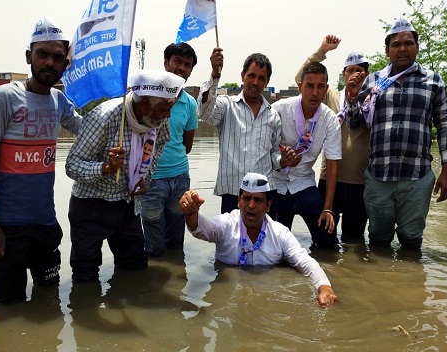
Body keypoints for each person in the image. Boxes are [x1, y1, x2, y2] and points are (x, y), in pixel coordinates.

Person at [0, 16, 82, 303]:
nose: (49, 62)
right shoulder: (4, 97)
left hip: (45, 226)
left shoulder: (59, 102)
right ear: (28, 57)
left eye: (57, 57)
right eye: (42, 54)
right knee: (9, 307)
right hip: (8, 228)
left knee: (50, 302)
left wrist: (126, 110)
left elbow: (87, 129)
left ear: (64, 64)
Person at [345, 16, 447, 249]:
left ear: (416, 47)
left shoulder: (433, 81)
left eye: (408, 43)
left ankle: (412, 284)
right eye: (396, 45)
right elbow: (356, 125)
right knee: (378, 240)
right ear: (387, 51)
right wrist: (353, 97)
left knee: (412, 241)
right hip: (379, 176)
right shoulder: (374, 81)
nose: (402, 49)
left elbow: (446, 125)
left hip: (416, 177)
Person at [65, 70, 184, 282]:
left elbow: (159, 147)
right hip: (91, 205)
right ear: (146, 105)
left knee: (135, 267)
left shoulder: (159, 120)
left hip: (127, 202)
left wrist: (143, 177)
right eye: (165, 110)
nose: (168, 116)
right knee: (85, 273)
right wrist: (105, 167)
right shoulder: (105, 117)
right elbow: (72, 166)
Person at [179, 172, 338, 307]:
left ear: (268, 205)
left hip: (267, 299)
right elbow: (202, 229)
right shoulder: (227, 224)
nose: (251, 205)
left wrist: (325, 288)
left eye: (258, 200)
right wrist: (191, 213)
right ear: (239, 201)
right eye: (247, 198)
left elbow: (306, 262)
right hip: (230, 299)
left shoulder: (280, 233)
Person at [294, 35, 370, 241]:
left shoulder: (373, 98)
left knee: (354, 240)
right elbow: (302, 78)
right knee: (325, 237)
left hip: (358, 179)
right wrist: (322, 51)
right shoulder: (329, 95)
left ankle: (349, 273)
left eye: (360, 70)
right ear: (344, 74)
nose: (355, 74)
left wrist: (358, 96)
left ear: (367, 75)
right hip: (330, 179)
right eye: (351, 70)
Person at [198, 50, 287, 218]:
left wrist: (283, 160)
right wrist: (214, 75)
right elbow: (204, 113)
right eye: (251, 75)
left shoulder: (272, 115)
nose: (255, 82)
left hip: (264, 194)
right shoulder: (226, 106)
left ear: (267, 82)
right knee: (231, 242)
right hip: (233, 193)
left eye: (261, 78)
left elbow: (274, 156)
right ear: (242, 75)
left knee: (264, 242)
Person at [273, 62, 342, 248]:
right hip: (277, 183)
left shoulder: (329, 120)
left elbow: (333, 165)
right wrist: (282, 159)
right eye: (310, 86)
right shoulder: (279, 110)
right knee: (275, 248)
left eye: (320, 87)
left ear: (326, 89)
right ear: (300, 87)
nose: (315, 92)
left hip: (304, 182)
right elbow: (264, 149)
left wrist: (328, 209)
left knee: (328, 239)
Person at [140, 43, 199, 257]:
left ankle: (176, 280)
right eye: (177, 62)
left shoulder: (190, 104)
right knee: (153, 245)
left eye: (187, 65)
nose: (182, 68)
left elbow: (187, 145)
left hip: (180, 179)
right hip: (150, 180)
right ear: (166, 63)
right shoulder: (145, 98)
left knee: (176, 241)